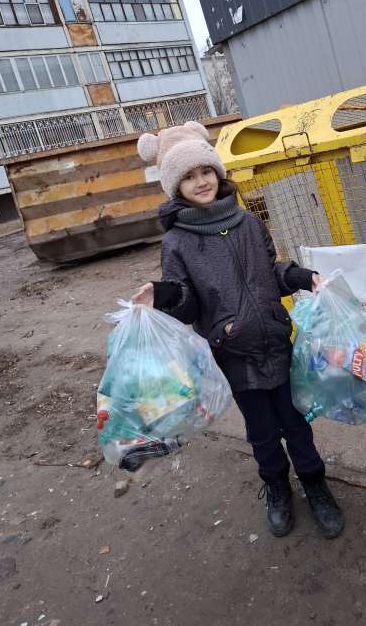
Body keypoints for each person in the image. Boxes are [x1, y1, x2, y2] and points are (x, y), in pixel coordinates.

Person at [131, 121, 345, 539]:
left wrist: (303, 276)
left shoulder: (247, 222)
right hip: (235, 354)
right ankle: (277, 487)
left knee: (297, 423)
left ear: (217, 171)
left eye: (205, 171)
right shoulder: (176, 243)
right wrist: (162, 295)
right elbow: (187, 299)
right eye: (189, 176)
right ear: (176, 186)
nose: (201, 181)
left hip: (276, 342)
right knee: (262, 432)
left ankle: (316, 485)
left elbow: (272, 271)